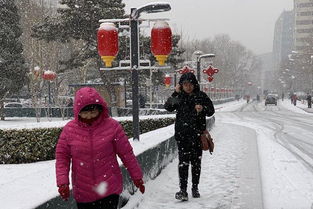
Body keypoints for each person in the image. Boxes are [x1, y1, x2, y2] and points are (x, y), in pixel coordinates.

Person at [56, 87, 145, 209]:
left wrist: (137, 176)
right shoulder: (69, 130)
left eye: (92, 112)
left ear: (99, 109)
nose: (89, 116)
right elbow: (62, 158)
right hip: (83, 191)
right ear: (77, 111)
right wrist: (62, 183)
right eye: (85, 112)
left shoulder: (112, 127)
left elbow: (126, 153)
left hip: (109, 189)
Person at [164, 72, 215, 201]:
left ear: (194, 84)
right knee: (183, 163)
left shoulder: (201, 96)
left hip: (198, 136)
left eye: (190, 84)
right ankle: (183, 190)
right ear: (181, 85)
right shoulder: (179, 97)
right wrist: (175, 93)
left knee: (196, 163)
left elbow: (211, 111)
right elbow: (168, 107)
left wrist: (202, 109)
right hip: (182, 136)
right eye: (185, 84)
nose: (188, 87)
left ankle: (195, 188)